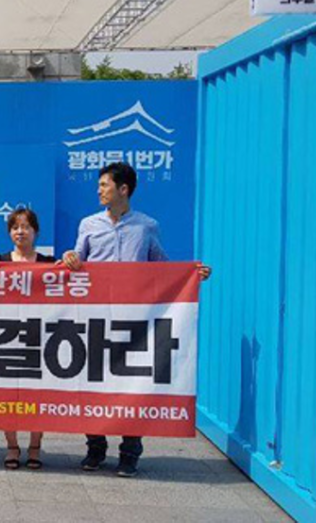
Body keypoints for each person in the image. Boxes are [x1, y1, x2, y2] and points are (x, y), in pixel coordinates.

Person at [61, 162, 211, 478]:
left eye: (104, 185)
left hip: (135, 320)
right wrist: (70, 258)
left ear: (123, 189)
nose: (99, 190)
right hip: (96, 317)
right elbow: (77, 260)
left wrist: (192, 276)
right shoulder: (89, 224)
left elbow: (162, 267)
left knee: (132, 384)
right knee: (94, 382)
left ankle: (130, 453)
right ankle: (95, 448)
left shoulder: (146, 226)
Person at [0, 208, 53, 470]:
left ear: (36, 231)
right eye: (15, 227)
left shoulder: (50, 264)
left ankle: (35, 446)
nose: (20, 231)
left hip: (38, 340)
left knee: (36, 395)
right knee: (8, 396)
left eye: (26, 226)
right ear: (9, 232)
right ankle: (12, 446)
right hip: (6, 339)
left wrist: (72, 260)